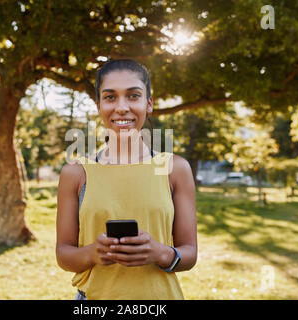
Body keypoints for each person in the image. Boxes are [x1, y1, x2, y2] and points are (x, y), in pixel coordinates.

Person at [56, 59, 197, 300]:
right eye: (110, 97)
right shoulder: (76, 173)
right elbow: (64, 254)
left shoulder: (175, 169)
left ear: (148, 104)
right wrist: (92, 254)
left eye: (133, 96)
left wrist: (159, 253)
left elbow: (190, 253)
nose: (122, 107)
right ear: (99, 105)